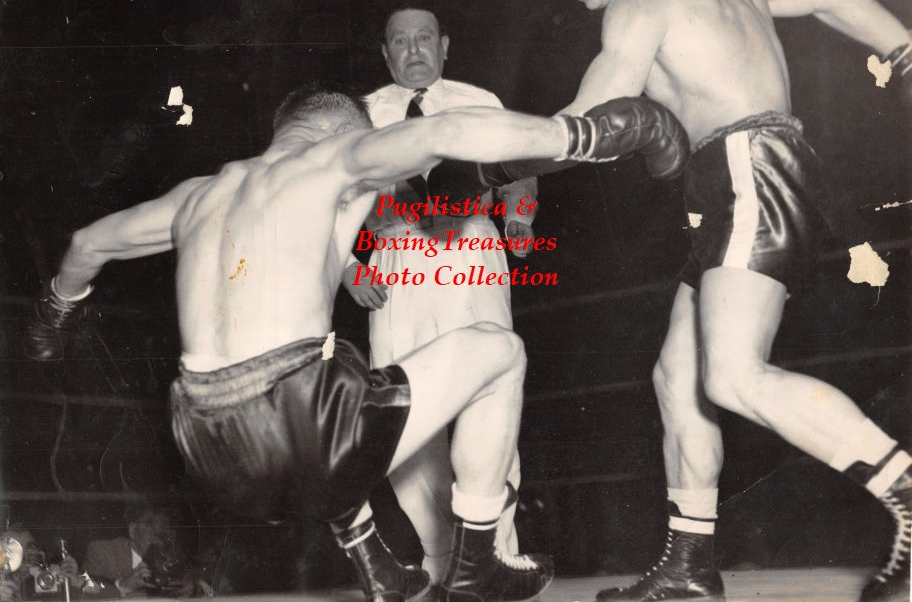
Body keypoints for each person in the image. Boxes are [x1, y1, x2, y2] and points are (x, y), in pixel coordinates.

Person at [23, 85, 689, 599]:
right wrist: (600, 132)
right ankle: (478, 563)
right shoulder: (338, 156)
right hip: (299, 417)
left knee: (340, 375)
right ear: (347, 130)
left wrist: (53, 317)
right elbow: (451, 130)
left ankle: (381, 571)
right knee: (497, 351)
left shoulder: (198, 193)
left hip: (205, 445)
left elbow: (87, 245)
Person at [524, 0, 912, 601]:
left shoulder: (640, 1)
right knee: (678, 375)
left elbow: (583, 120)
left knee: (731, 375)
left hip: (745, 170)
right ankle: (690, 564)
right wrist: (904, 51)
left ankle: (907, 490)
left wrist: (493, 156)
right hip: (741, 177)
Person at [342, 6, 537, 585]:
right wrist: (350, 268)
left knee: (490, 390)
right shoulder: (361, 113)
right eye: (399, 41)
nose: (412, 49)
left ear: (444, 45)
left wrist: (520, 219)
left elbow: (520, 166)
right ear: (385, 52)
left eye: (423, 38)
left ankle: (495, 553)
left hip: (469, 249)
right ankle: (437, 555)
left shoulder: (479, 98)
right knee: (402, 409)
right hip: (396, 255)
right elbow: (329, 196)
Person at [82, 509, 210, 598]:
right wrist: (122, 586)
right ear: (132, 530)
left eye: (165, 525)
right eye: (150, 524)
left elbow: (207, 586)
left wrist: (195, 588)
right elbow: (83, 592)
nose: (158, 531)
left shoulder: (176, 555)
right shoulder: (101, 551)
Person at [0, 528, 86, 602]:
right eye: (12, 551)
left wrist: (74, 584)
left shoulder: (49, 582)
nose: (25, 557)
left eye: (31, 548)